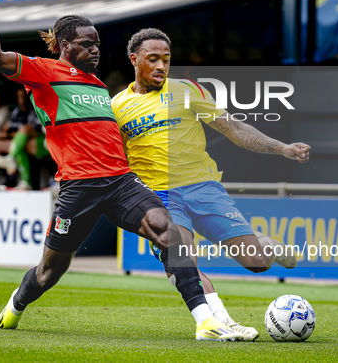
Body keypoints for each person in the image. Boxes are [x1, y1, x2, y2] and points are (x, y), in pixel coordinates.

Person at [0, 0, 243, 341]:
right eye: (87, 45)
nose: (95, 50)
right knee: (48, 272)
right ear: (66, 45)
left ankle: (206, 322)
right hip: (79, 187)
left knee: (168, 230)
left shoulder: (100, 86)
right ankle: (17, 304)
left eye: (98, 44)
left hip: (120, 181)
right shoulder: (44, 71)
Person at [111, 28, 312, 341]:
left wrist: (281, 148)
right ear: (134, 59)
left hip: (203, 188)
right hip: (159, 197)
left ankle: (268, 245)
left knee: (257, 261)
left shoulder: (187, 90)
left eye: (166, 59)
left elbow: (233, 128)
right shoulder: (117, 107)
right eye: (153, 59)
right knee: (181, 260)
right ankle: (219, 322)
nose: (161, 66)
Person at [0, 88, 50, 190]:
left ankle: (11, 158)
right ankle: (24, 181)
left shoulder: (36, 109)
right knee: (19, 145)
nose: (22, 100)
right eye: (19, 97)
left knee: (22, 137)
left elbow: (36, 128)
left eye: (24, 96)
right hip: (27, 141)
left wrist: (23, 130)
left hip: (47, 142)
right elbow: (7, 127)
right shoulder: (16, 111)